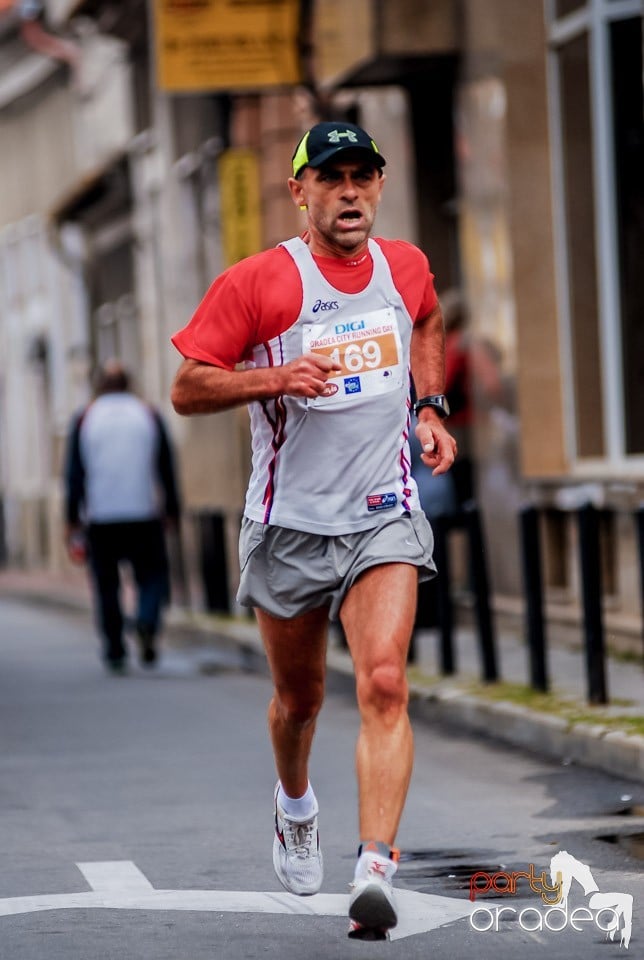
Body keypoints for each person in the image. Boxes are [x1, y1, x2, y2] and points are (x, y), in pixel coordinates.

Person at [170, 120, 456, 940]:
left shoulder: (404, 267)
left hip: (381, 516)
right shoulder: (260, 283)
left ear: (379, 184)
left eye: (363, 176)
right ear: (299, 192)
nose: (350, 192)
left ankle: (375, 866)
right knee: (301, 700)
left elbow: (429, 320)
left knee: (385, 683)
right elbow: (189, 387)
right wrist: (275, 376)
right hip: (288, 523)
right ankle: (295, 804)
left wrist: (429, 406)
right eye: (331, 179)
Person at [64, 360, 181, 673]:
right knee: (153, 575)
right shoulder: (148, 414)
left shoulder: (85, 418)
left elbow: (74, 473)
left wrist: (71, 517)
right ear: (128, 383)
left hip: (101, 516)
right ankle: (146, 620)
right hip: (143, 511)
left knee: (106, 585)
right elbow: (166, 466)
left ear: (99, 385)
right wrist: (172, 509)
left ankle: (115, 648)